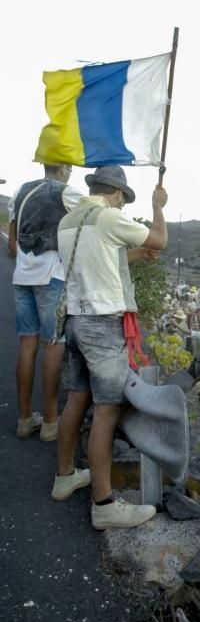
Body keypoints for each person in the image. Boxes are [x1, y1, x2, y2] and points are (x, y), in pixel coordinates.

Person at [51, 166, 168, 530]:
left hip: (75, 319)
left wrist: (133, 256)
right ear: (116, 193)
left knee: (77, 398)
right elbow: (159, 239)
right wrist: (158, 205)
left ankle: (65, 476)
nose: (122, 202)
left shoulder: (70, 220)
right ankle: (104, 504)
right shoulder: (108, 217)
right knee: (107, 409)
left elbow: (98, 260)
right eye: (123, 197)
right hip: (103, 325)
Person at [8, 163, 81, 441]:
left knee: (27, 344)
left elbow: (11, 244)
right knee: (53, 344)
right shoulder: (66, 193)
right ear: (63, 167)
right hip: (51, 276)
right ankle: (51, 422)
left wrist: (28, 260)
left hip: (22, 275)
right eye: (71, 168)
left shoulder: (20, 191)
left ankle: (25, 419)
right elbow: (96, 216)